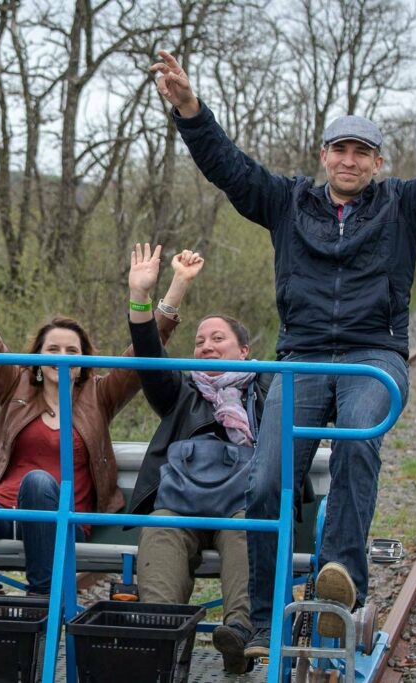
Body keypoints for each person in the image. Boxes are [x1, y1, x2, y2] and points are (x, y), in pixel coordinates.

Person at [149, 50, 416, 652]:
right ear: (324, 156)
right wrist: (188, 108)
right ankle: (259, 617)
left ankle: (337, 589)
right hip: (303, 356)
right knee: (266, 481)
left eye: (362, 151)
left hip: (372, 357)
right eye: (341, 149)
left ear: (378, 162)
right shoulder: (286, 203)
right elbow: (228, 167)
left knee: (359, 441)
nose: (350, 160)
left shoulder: (403, 205)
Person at [0, 223, 202, 597]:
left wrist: (177, 284)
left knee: (38, 483)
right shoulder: (14, 386)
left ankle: (41, 596)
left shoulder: (100, 395)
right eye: (53, 350)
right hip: (3, 514)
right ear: (36, 359)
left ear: (83, 361)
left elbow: (146, 348)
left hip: (63, 519)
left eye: (72, 352)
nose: (62, 359)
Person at [126, 246, 267, 674]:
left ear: (244, 351)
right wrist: (142, 297)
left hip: (239, 507)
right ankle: (162, 638)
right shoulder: (180, 391)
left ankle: (239, 636)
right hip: (180, 505)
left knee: (249, 533)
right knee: (161, 533)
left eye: (217, 338)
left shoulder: (268, 390)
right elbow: (148, 356)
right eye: (199, 340)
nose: (205, 346)